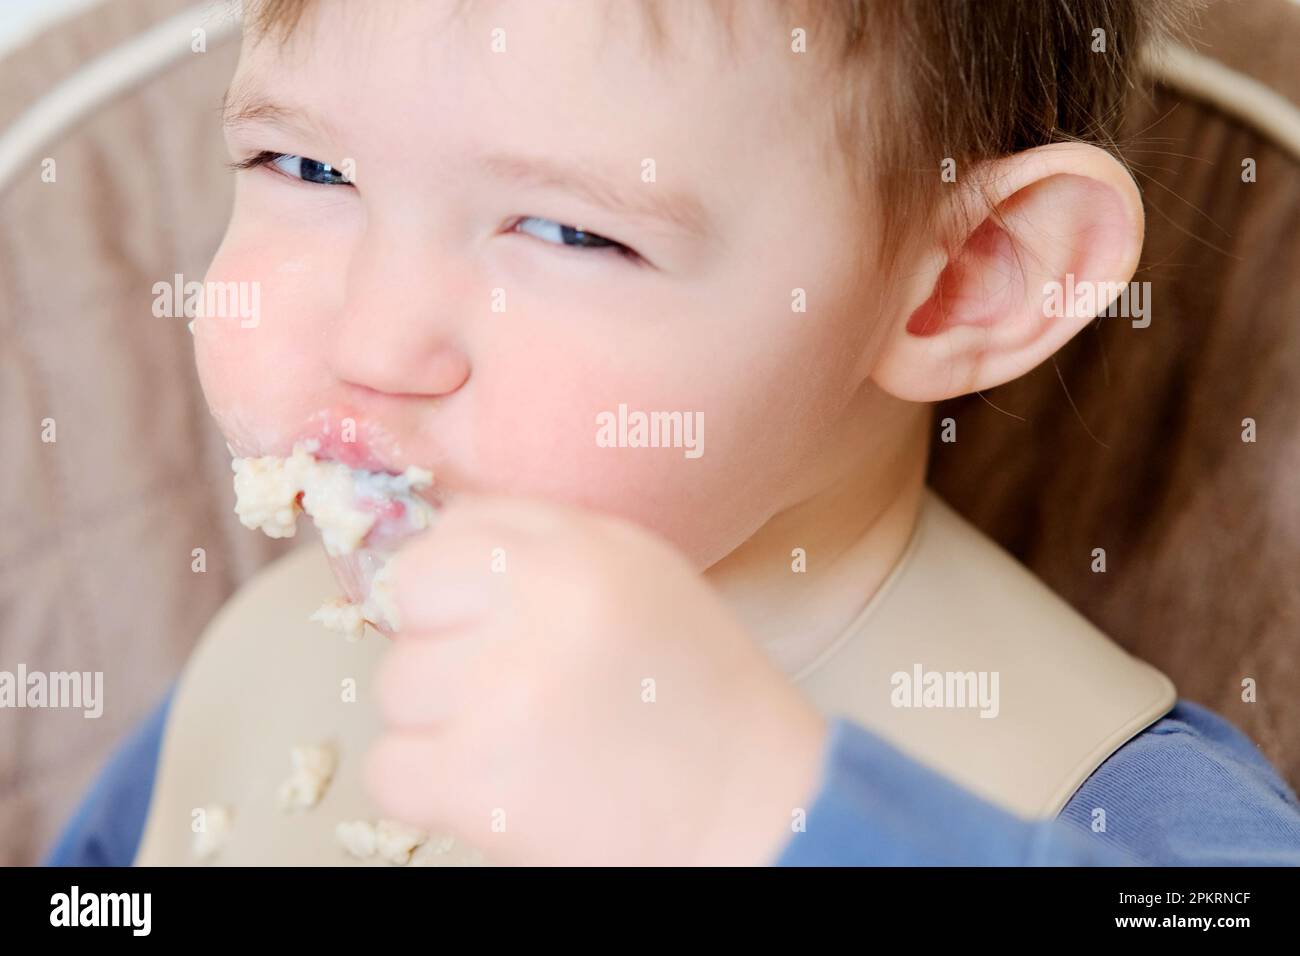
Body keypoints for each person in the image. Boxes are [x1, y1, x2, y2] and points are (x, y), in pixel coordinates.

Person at [48, 0, 1300, 866]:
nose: (370, 343)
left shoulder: (1117, 802)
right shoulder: (250, 672)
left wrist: (768, 821)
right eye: (305, 169)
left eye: (568, 231)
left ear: (964, 278)